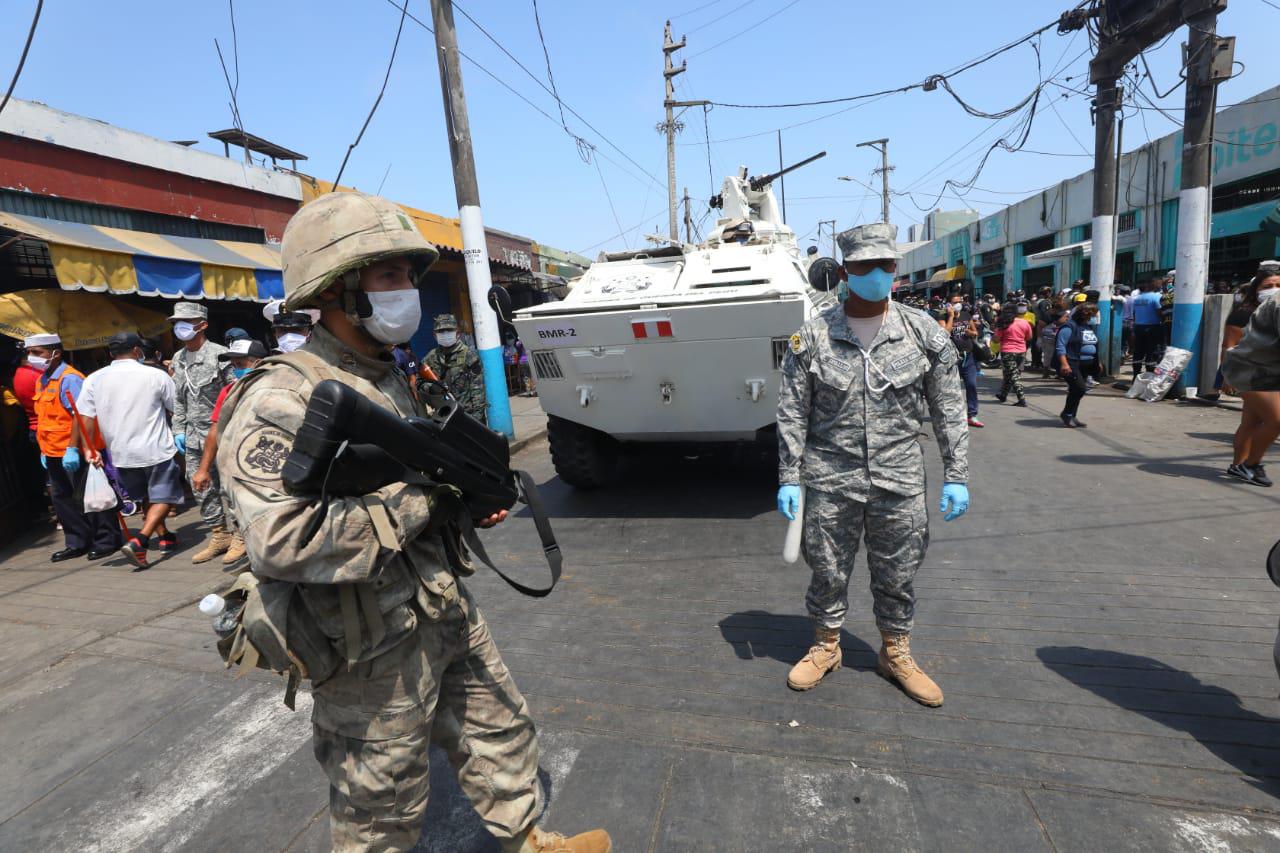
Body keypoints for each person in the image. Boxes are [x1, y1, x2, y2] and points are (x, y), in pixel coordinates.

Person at [215, 191, 611, 853]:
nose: (408, 293)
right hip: (366, 645)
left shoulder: (389, 375)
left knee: (502, 732)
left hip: (440, 602)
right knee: (380, 808)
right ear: (339, 290)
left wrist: (462, 504)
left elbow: (413, 481)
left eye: (408, 276)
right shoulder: (281, 397)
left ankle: (527, 841)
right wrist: (428, 499)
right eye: (389, 277)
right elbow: (279, 540)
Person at [776, 222, 970, 707]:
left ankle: (895, 652)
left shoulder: (923, 333)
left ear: (896, 271)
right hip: (830, 477)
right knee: (827, 568)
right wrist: (789, 476)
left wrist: (957, 474)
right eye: (865, 267)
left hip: (899, 477)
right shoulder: (813, 336)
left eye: (886, 266)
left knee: (899, 570)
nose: (877, 275)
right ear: (846, 272)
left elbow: (949, 406)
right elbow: (791, 410)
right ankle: (825, 646)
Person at [77, 332, 182, 569]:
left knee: (147, 495)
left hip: (121, 452)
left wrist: (87, 448)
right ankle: (141, 540)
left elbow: (85, 417)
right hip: (156, 448)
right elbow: (176, 407)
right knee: (166, 496)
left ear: (111, 353)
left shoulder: (94, 379)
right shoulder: (156, 375)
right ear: (137, 351)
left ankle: (164, 536)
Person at [24, 333, 120, 561]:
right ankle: (78, 541)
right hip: (52, 450)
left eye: (38, 353)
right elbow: (46, 418)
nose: (32, 357)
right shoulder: (43, 379)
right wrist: (43, 449)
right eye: (30, 353)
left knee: (92, 497)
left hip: (73, 449)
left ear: (56, 353)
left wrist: (74, 448)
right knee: (62, 499)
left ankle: (107, 539)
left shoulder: (70, 379)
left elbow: (81, 416)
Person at [191, 338, 269, 564]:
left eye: (241, 362)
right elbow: (214, 430)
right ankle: (238, 537)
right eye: (233, 364)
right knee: (236, 502)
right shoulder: (228, 391)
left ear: (259, 362)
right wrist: (203, 469)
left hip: (268, 459)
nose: (236, 368)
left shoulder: (276, 386)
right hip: (236, 462)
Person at [168, 301, 232, 563]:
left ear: (202, 324)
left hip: (222, 433)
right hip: (193, 436)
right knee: (200, 486)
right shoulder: (178, 359)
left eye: (186, 321)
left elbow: (234, 394)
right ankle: (220, 534)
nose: (179, 327)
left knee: (230, 486)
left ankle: (240, 535)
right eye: (176, 323)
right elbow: (179, 399)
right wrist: (178, 430)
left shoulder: (221, 355)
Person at [1225, 270, 1280, 486]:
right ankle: (1250, 465)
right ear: (1255, 289)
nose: (1273, 288)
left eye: (1277, 283)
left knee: (1250, 422)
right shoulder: (1244, 313)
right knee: (1276, 420)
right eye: (1267, 285)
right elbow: (1229, 345)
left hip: (1268, 371)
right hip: (1250, 371)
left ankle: (1238, 465)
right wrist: (1225, 378)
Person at [424, 313, 488, 423]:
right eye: (441, 332)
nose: (445, 334)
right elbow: (419, 382)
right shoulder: (431, 357)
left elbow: (478, 390)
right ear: (435, 335)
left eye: (449, 330)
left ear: (457, 333)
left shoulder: (469, 355)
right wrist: (431, 387)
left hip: (469, 415)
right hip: (445, 416)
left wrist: (476, 419)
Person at [1054, 303, 1100, 428]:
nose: (1095, 317)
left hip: (1086, 364)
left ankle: (1072, 415)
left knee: (1076, 391)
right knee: (1080, 388)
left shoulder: (1087, 327)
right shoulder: (1069, 327)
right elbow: (1060, 346)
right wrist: (1064, 364)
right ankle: (1067, 413)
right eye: (1093, 314)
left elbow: (1093, 344)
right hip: (1072, 363)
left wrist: (1097, 362)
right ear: (1086, 314)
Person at [993, 302, 1033, 406]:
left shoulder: (1003, 323)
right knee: (1009, 373)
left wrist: (996, 334)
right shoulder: (1024, 323)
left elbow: (996, 340)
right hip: (1021, 352)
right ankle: (1003, 395)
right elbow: (1029, 337)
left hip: (1008, 352)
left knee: (1013, 375)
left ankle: (1022, 399)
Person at [1131, 278, 1164, 379]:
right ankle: (1149, 376)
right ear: (1155, 285)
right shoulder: (1157, 297)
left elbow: (1134, 314)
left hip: (1138, 327)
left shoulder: (1137, 298)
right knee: (1152, 352)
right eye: (1159, 284)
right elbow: (1160, 313)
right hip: (1153, 327)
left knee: (1138, 351)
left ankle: (1136, 375)